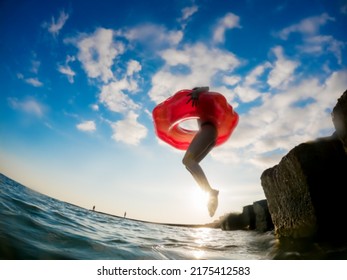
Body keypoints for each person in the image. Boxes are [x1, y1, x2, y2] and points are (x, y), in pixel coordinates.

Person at [182, 86, 219, 217]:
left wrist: (197, 91)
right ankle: (209, 193)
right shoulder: (200, 105)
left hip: (208, 129)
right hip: (210, 133)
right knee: (189, 165)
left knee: (186, 160)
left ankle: (210, 192)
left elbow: (207, 87)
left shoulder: (204, 96)